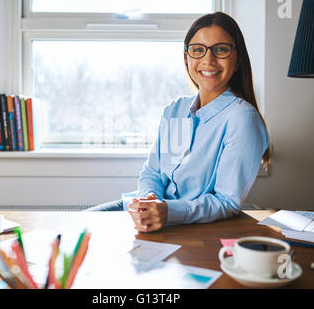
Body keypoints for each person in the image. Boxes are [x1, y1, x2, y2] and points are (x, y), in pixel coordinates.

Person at [88, 12, 270, 233]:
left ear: (238, 58)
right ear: (187, 58)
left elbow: (226, 201)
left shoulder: (242, 119)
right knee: (73, 233)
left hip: (186, 224)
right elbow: (153, 173)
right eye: (198, 50)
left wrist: (166, 211)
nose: (208, 60)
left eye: (220, 49)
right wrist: (149, 200)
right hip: (140, 210)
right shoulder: (174, 110)